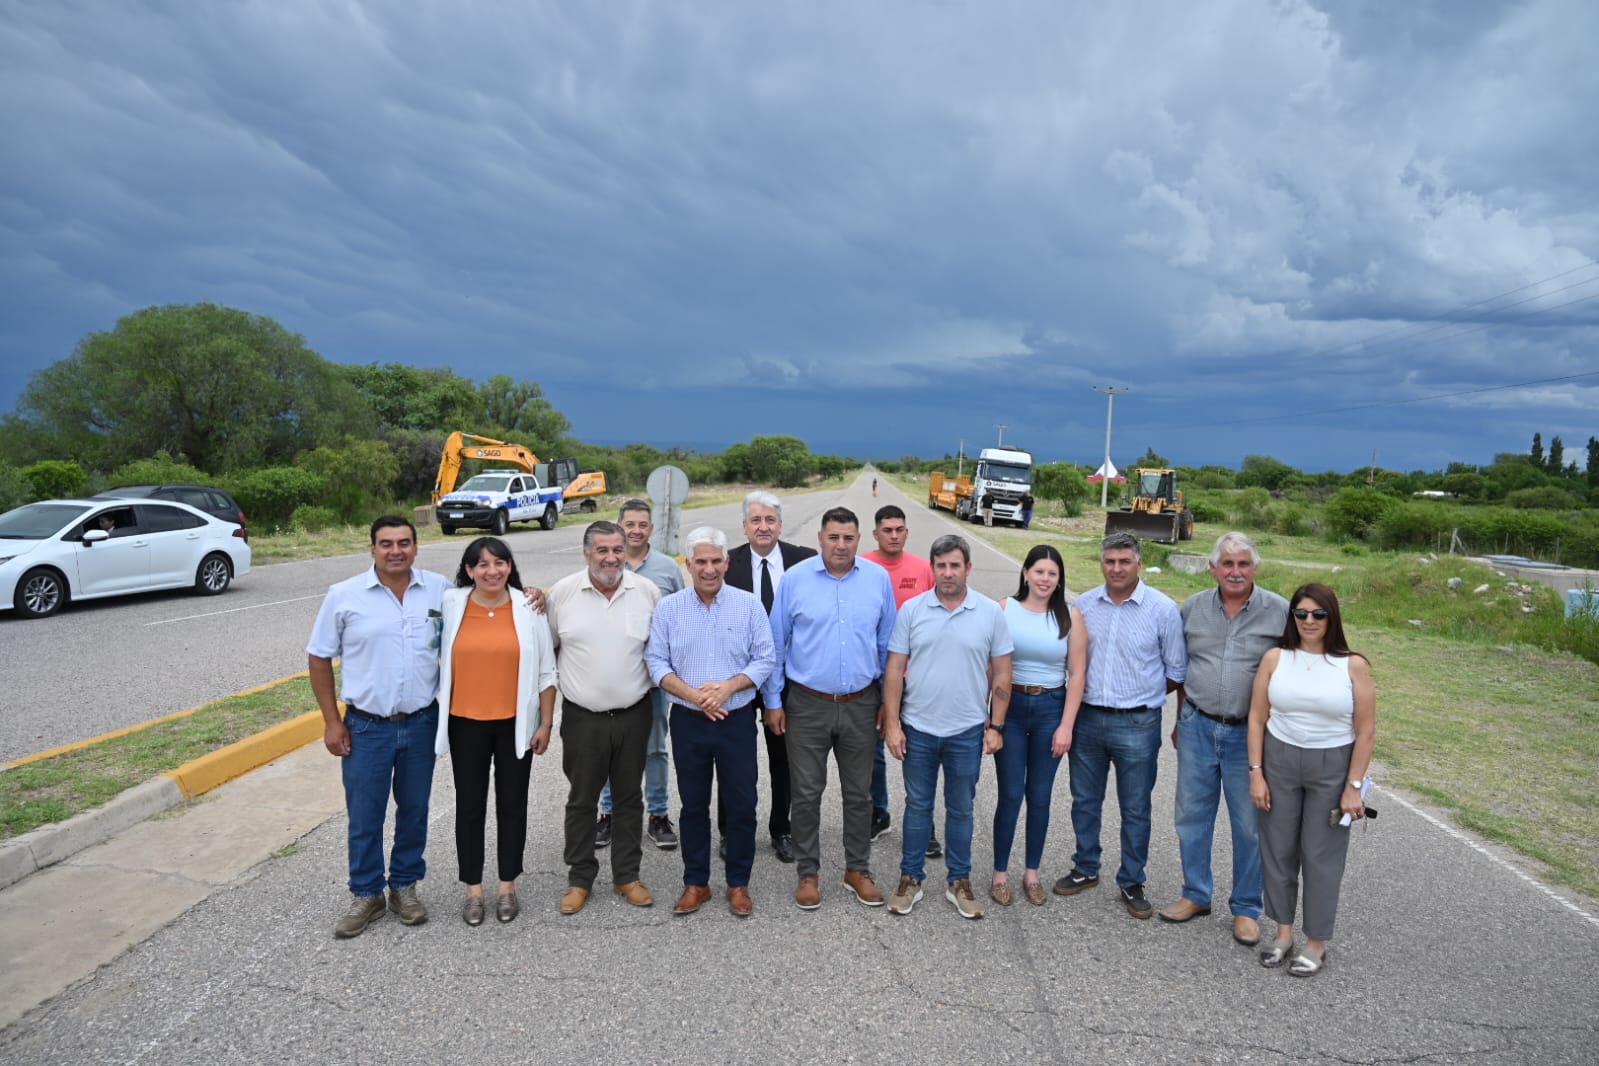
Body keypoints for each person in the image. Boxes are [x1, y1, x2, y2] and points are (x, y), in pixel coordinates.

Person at [308, 516, 452, 939]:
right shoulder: (344, 595)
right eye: (386, 543)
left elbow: (487, 595)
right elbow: (318, 657)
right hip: (366, 727)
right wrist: (331, 721)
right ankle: (367, 893)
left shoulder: (440, 590)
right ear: (372, 548)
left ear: (416, 547)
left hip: (421, 722)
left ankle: (404, 887)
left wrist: (533, 596)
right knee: (365, 815)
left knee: (415, 810)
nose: (395, 551)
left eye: (404, 542)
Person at [1158, 532, 1289, 946]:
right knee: (1191, 817)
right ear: (1213, 568)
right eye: (1227, 564)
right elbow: (1181, 667)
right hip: (1197, 724)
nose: (1235, 571)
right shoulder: (1193, 609)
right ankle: (1196, 893)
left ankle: (1246, 908)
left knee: (1249, 825)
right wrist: (1180, 718)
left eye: (1243, 564)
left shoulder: (1279, 612)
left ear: (1255, 568)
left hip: (1249, 735)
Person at [766, 506, 897, 910]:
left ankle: (857, 869)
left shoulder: (877, 579)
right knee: (806, 794)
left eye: (848, 538)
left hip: (861, 703)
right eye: (834, 537)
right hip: (807, 704)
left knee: (859, 795)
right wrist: (774, 701)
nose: (841, 545)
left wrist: (886, 703)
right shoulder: (795, 579)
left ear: (859, 540)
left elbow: (887, 646)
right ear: (821, 538)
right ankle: (808, 872)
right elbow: (776, 644)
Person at [1055, 532, 1186, 920]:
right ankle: (1085, 866)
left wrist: (1141, 694)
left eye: (1124, 561)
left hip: (1138, 722)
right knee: (1084, 800)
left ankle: (1131, 879)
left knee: (1135, 807)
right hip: (1088, 719)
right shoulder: (1083, 606)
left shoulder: (1163, 609)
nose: (1116, 568)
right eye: (1110, 561)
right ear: (1101, 563)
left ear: (1139, 563)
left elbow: (1177, 670)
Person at [646, 526, 775, 917]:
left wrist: (728, 688)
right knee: (693, 806)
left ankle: (738, 883)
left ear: (727, 562)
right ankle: (696, 883)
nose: (709, 569)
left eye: (716, 561)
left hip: (736, 720)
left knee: (741, 804)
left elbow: (765, 658)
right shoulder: (669, 609)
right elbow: (656, 662)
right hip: (689, 721)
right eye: (700, 561)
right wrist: (694, 696)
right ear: (688, 564)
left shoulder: (748, 605)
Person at [882, 534, 1013, 919]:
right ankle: (911, 878)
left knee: (961, 809)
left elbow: (1002, 672)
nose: (948, 572)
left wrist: (996, 725)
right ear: (933, 568)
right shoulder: (912, 610)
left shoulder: (990, 613)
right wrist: (893, 724)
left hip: (967, 731)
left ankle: (959, 881)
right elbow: (894, 669)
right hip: (918, 728)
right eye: (941, 566)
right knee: (917, 806)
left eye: (955, 565)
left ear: (968, 568)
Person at [1248, 583, 1376, 977]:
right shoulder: (1275, 658)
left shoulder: (1352, 665)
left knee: (1321, 856)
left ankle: (1316, 942)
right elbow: (1257, 718)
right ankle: (1283, 933)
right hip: (1280, 759)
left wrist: (1354, 786)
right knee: (1278, 850)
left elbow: (1366, 730)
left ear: (1331, 617)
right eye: (1301, 613)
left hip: (1332, 765)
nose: (1309, 621)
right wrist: (1257, 773)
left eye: (1318, 614)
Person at [434, 537, 557, 926]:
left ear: (510, 567)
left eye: (500, 563)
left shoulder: (529, 606)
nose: (492, 571)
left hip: (514, 725)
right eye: (483, 564)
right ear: (469, 570)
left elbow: (547, 672)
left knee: (512, 805)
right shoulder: (450, 603)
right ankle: (473, 889)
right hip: (464, 723)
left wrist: (546, 723)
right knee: (469, 807)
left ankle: (507, 886)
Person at [546, 521, 663, 915]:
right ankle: (580, 879)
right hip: (583, 718)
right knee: (582, 800)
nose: (611, 558)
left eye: (617, 550)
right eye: (602, 550)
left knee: (629, 798)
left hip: (634, 714)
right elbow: (549, 650)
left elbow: (658, 650)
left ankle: (627, 876)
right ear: (586, 554)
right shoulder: (562, 594)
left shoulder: (647, 592)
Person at [990, 545, 1086, 907]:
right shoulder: (1004, 609)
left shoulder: (1070, 617)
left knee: (1040, 796)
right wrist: (989, 719)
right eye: (1039, 571)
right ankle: (1000, 873)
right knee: (1011, 793)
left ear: (1059, 580)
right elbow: (991, 667)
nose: (1045, 579)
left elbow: (1077, 674)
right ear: (1026, 573)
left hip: (1050, 709)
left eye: (1052, 574)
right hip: (1011, 708)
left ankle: (1032, 872)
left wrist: (1066, 726)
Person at [723, 491, 816, 864]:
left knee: (785, 760)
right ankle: (732, 831)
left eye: (770, 520)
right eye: (756, 520)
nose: (763, 527)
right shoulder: (726, 563)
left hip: (788, 678)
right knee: (734, 761)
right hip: (738, 678)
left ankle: (782, 829)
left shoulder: (804, 561)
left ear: (780, 525)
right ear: (744, 526)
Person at [595, 499, 686, 853]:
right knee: (609, 749)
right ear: (619, 526)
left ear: (652, 529)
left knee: (655, 749)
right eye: (629, 524)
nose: (635, 531)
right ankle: (608, 813)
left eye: (642, 525)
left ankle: (658, 815)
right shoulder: (605, 564)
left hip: (654, 680)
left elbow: (680, 616)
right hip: (612, 677)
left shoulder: (667, 568)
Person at [859, 505, 940, 856]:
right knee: (871, 749)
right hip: (873, 675)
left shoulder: (923, 569)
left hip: (916, 676)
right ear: (875, 533)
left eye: (899, 529)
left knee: (919, 751)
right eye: (887, 530)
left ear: (907, 532)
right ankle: (879, 812)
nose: (894, 535)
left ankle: (925, 825)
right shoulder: (861, 566)